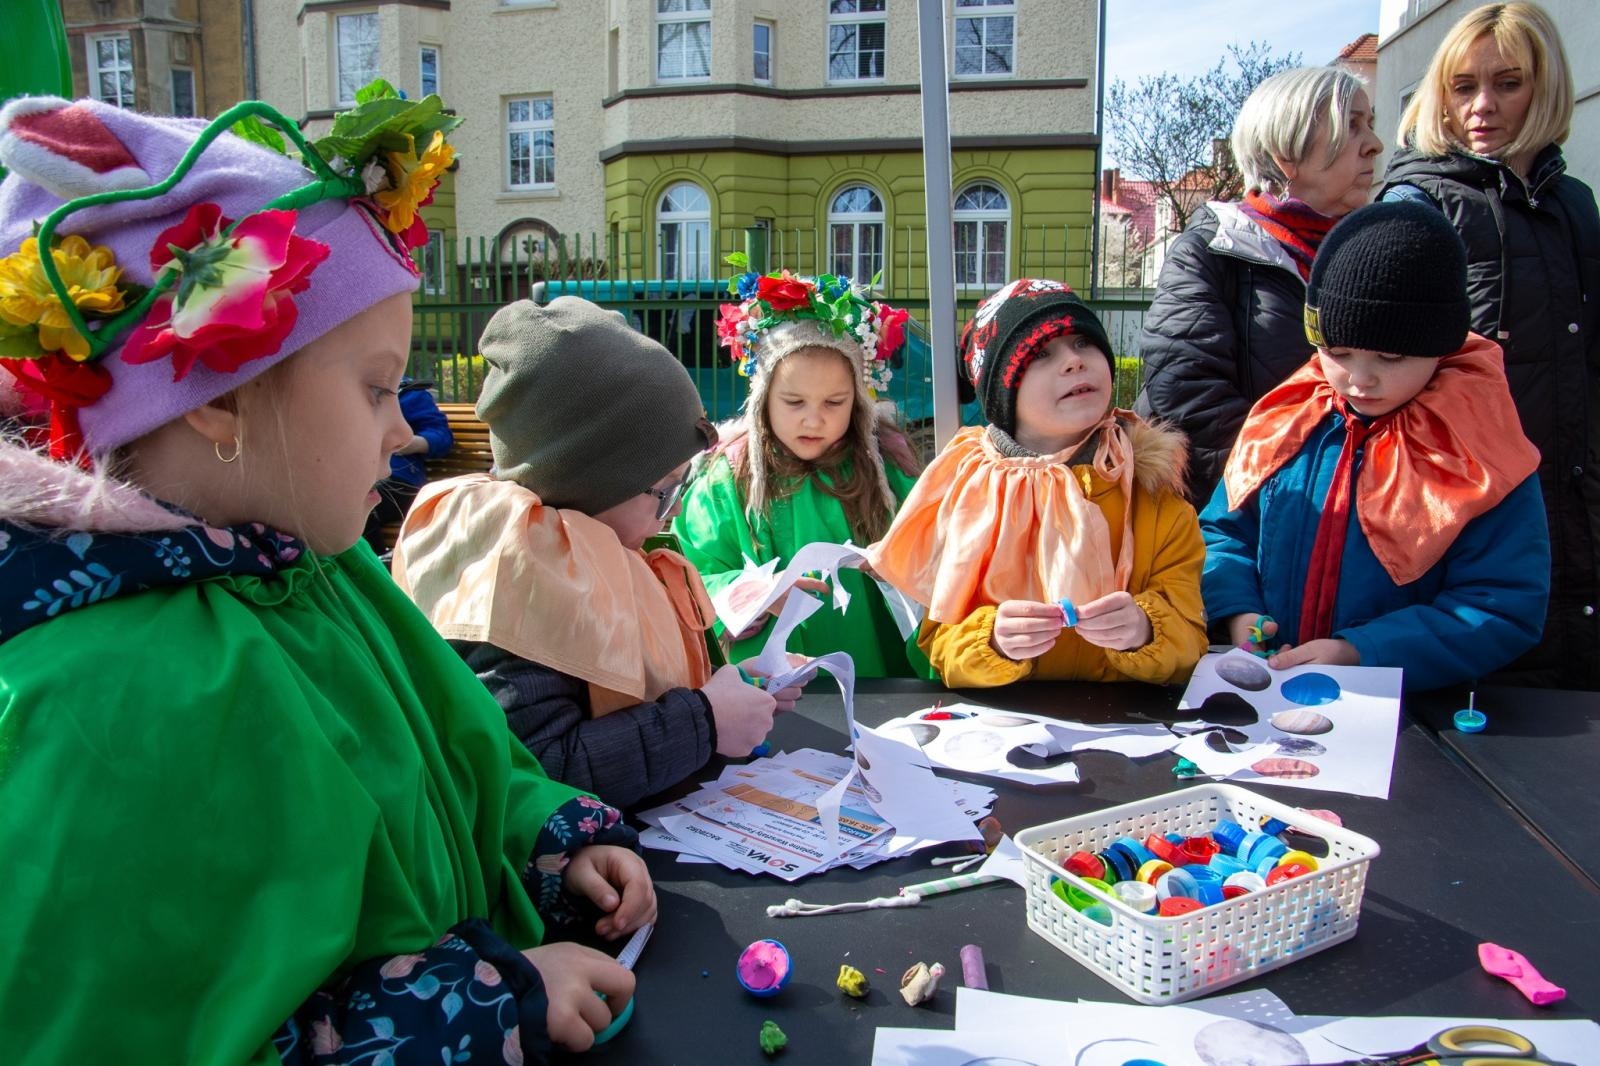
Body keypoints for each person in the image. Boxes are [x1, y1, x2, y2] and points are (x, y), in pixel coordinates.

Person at [0, 93, 655, 1062]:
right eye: (377, 386)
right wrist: (493, 999)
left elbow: (455, 755)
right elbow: (157, 1029)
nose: (405, 429)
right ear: (219, 400)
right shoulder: (103, 698)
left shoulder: (322, 565)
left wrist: (548, 841)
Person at [391, 297, 801, 811]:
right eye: (666, 490)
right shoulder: (515, 575)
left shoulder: (601, 543)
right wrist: (704, 720)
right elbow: (538, 770)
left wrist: (732, 691)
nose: (671, 513)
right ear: (591, 481)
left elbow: (633, 689)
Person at [1201, 202, 1549, 690]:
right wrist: (1238, 610)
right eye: (1337, 353)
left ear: (1442, 345)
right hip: (1274, 693)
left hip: (1411, 712)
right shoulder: (1288, 422)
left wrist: (1364, 651)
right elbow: (1224, 532)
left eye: (1390, 357)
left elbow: (1503, 603)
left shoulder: (1480, 449)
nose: (1360, 380)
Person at [1381, 1, 1600, 689]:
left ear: (1546, 88)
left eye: (1508, 83)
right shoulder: (1417, 203)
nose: (1481, 106)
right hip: (1459, 505)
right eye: (1462, 85)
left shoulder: (1574, 205)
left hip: (1572, 495)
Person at [868, 280, 1208, 688]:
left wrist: (1144, 629)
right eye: (1041, 353)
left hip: (1124, 730)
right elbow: (939, 643)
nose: (1073, 362)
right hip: (1002, 733)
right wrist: (991, 640)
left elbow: (1191, 636)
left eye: (1083, 342)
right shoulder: (971, 495)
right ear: (1002, 393)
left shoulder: (1149, 493)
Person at [1135, 66, 1382, 507]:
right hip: (1250, 516)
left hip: (1356, 510)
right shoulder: (1213, 249)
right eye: (1351, 126)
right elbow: (1187, 396)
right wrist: (1308, 484)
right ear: (1287, 151)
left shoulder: (1374, 249)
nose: (1374, 145)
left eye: (1371, 124)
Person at [673, 270, 922, 677]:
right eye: (793, 402)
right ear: (763, 398)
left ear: (857, 401)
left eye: (834, 402)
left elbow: (931, 548)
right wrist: (753, 592)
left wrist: (899, 564)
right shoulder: (730, 478)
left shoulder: (886, 469)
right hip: (767, 679)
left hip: (875, 673)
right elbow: (694, 571)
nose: (814, 420)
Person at [361, 376, 452, 552]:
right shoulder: (348, 388)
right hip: (359, 476)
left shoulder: (409, 391)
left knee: (358, 501)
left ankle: (375, 569)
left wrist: (410, 443)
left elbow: (442, 437)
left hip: (399, 480)